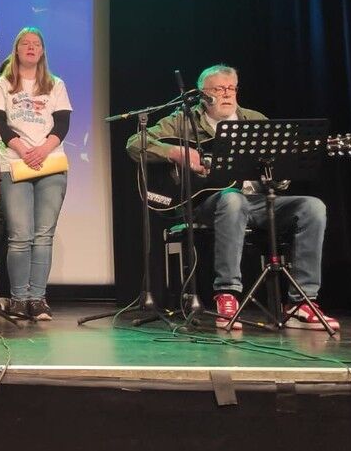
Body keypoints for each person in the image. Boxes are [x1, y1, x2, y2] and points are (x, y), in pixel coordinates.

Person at [126, 63, 338, 331]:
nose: (226, 94)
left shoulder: (254, 119)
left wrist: (282, 171)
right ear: (203, 95)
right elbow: (135, 144)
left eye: (231, 88)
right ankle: (227, 293)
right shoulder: (185, 120)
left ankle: (302, 302)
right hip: (208, 203)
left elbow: (277, 174)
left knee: (312, 207)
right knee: (232, 198)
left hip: (257, 201)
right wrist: (176, 153)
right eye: (218, 89)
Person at [0, 27, 71, 321]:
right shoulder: (1, 84)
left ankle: (37, 299)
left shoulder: (55, 84)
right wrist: (24, 150)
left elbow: (62, 123)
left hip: (50, 163)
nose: (31, 47)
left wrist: (43, 149)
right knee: (20, 236)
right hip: (15, 162)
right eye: (25, 43)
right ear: (16, 49)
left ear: (42, 51)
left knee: (43, 236)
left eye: (36, 44)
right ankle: (18, 299)